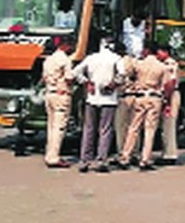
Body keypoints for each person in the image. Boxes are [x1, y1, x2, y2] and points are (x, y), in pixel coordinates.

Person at [72, 37, 125, 173]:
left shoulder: (91, 58)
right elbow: (122, 75)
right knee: (105, 130)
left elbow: (75, 72)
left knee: (89, 129)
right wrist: (113, 84)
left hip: (92, 98)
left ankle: (84, 160)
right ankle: (101, 160)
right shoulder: (116, 59)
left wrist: (87, 82)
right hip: (109, 99)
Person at [119, 41, 170, 171]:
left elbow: (130, 75)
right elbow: (165, 85)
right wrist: (166, 101)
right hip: (154, 97)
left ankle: (125, 156)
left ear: (146, 50)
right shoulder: (162, 67)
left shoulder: (139, 64)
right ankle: (145, 159)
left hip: (140, 97)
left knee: (133, 128)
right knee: (150, 130)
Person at [41, 36, 75, 168]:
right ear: (65, 45)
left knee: (51, 127)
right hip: (61, 95)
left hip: (49, 93)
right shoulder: (65, 60)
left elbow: (44, 78)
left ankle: (49, 154)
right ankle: (54, 157)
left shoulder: (49, 59)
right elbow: (69, 78)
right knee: (59, 128)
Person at [113, 42, 140, 157]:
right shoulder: (135, 61)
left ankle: (123, 152)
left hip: (122, 96)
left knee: (121, 127)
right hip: (136, 96)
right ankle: (134, 151)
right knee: (134, 126)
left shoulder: (117, 62)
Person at [158, 44, 182, 166]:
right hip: (168, 94)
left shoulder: (170, 64)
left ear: (165, 52)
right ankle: (166, 153)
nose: (157, 55)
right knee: (165, 126)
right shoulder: (164, 63)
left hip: (171, 95)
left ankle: (170, 155)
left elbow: (171, 83)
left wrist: (167, 101)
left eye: (159, 53)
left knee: (169, 125)